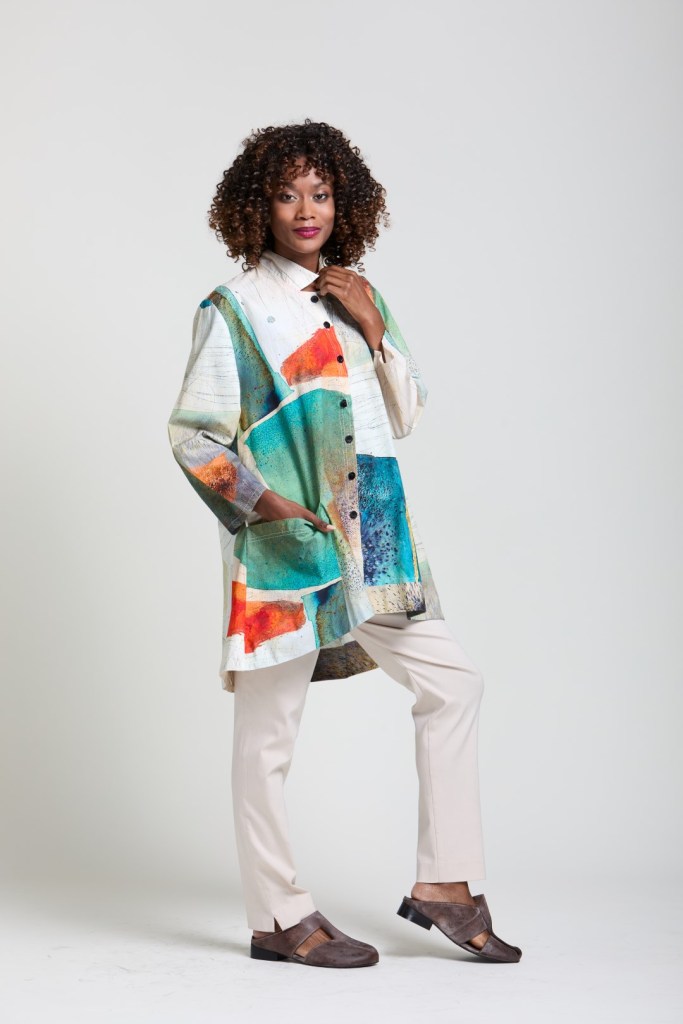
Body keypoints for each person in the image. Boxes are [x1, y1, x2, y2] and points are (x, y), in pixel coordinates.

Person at [167, 119, 522, 968]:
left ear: (343, 203)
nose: (305, 210)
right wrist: (265, 506)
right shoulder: (235, 309)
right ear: (257, 206)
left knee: (454, 683)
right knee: (270, 733)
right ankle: (278, 915)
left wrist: (373, 325)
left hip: (379, 531)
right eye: (286, 194)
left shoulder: (360, 293)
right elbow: (193, 435)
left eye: (320, 193)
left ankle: (444, 884)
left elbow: (407, 410)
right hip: (287, 543)